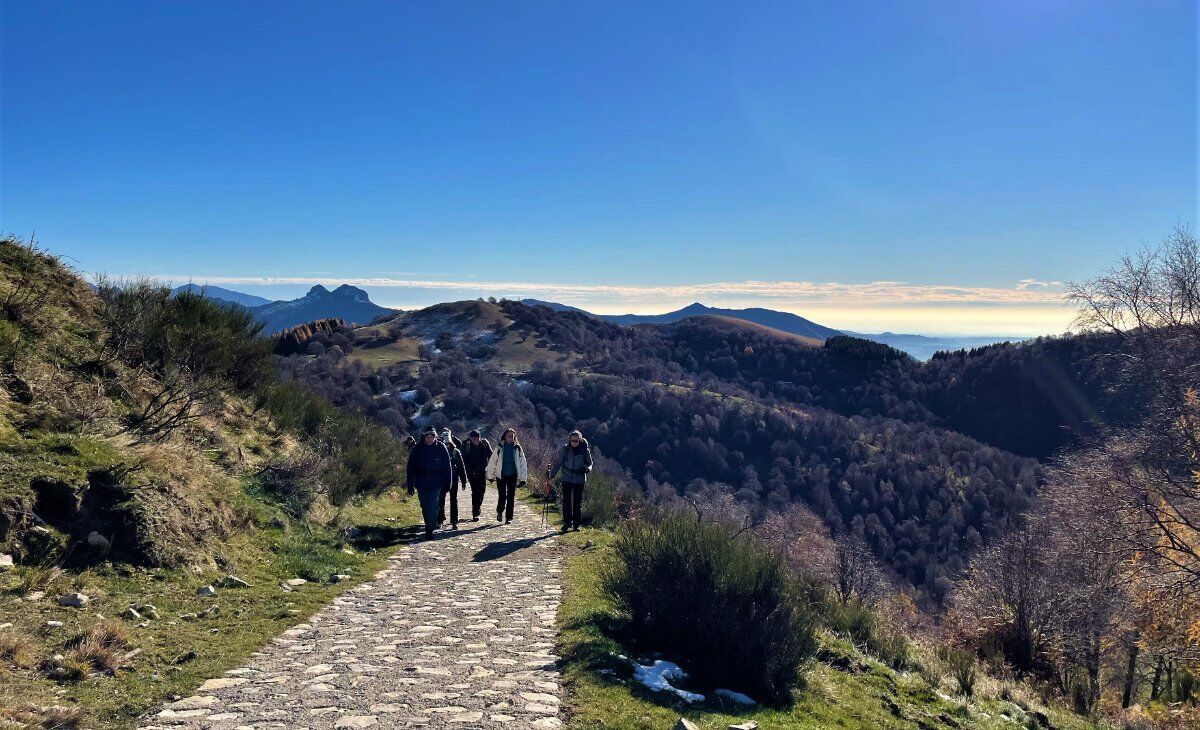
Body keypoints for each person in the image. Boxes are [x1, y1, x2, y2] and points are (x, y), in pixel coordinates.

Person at [406, 426, 452, 539]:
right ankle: (428, 524)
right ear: (424, 436)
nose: (429, 438)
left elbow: (447, 466)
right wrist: (410, 484)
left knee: (433, 504)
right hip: (421, 481)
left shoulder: (440, 447)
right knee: (424, 505)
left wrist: (448, 482)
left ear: (435, 436)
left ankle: (429, 529)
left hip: (436, 481)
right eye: (427, 436)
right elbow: (410, 467)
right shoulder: (417, 448)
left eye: (432, 436)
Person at [549, 429, 593, 532]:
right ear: (569, 440)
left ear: (580, 440)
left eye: (576, 441)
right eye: (572, 440)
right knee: (566, 501)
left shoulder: (585, 450)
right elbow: (558, 463)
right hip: (567, 478)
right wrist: (552, 475)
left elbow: (590, 463)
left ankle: (576, 525)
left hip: (579, 479)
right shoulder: (564, 449)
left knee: (577, 502)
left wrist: (587, 469)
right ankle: (567, 523)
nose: (574, 443)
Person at [485, 427, 527, 524]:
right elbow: (492, 461)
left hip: (513, 475)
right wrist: (490, 476)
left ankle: (509, 518)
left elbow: (523, 463)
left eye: (512, 436)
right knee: (502, 496)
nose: (511, 438)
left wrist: (523, 479)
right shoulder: (499, 447)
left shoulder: (517, 447)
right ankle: (499, 512)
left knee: (511, 497)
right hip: (501, 475)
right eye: (509, 436)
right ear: (505, 437)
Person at [460, 429, 493, 521]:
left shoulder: (484, 444)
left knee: (482, 491)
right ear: (470, 438)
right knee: (475, 492)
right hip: (471, 472)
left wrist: (493, 469)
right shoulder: (466, 445)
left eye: (477, 438)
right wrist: (467, 471)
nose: (475, 440)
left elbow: (491, 455)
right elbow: (463, 459)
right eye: (473, 438)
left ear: (479, 437)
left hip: (482, 471)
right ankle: (475, 513)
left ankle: (477, 507)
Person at [439, 428, 467, 529]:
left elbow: (461, 466)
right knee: (440, 500)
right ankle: (440, 520)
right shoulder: (438, 451)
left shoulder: (456, 452)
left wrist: (464, 480)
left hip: (454, 479)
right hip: (441, 479)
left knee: (453, 500)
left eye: (448, 443)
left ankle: (454, 521)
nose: (447, 445)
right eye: (445, 443)